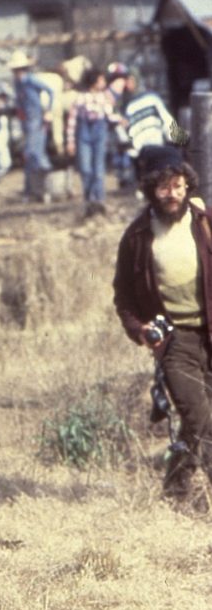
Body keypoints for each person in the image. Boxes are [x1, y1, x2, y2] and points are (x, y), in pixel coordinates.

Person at [113, 145, 212, 502]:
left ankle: (174, 488)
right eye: (164, 188)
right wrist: (140, 330)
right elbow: (123, 295)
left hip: (210, 334)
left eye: (179, 186)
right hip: (175, 342)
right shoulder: (137, 237)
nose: (173, 194)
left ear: (188, 186)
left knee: (196, 424)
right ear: (151, 189)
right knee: (201, 416)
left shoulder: (205, 223)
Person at [66, 66, 122, 216]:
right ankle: (89, 198)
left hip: (99, 133)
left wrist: (120, 119)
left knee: (98, 169)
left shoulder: (105, 97)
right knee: (85, 168)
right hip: (84, 133)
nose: (104, 82)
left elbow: (109, 115)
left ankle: (99, 200)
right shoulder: (80, 98)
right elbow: (72, 121)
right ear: (94, 81)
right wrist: (70, 141)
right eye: (101, 79)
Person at [7, 50, 54, 202]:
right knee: (30, 156)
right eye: (16, 70)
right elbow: (19, 101)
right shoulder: (17, 84)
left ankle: (46, 188)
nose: (18, 72)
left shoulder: (31, 80)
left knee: (34, 153)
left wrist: (48, 111)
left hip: (37, 119)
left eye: (20, 69)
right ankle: (31, 191)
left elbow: (50, 91)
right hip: (26, 121)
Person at [122, 73, 178, 182]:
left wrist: (174, 137)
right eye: (126, 81)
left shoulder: (151, 98)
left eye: (130, 81)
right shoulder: (127, 106)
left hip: (158, 144)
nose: (128, 84)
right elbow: (127, 130)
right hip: (141, 149)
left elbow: (166, 118)